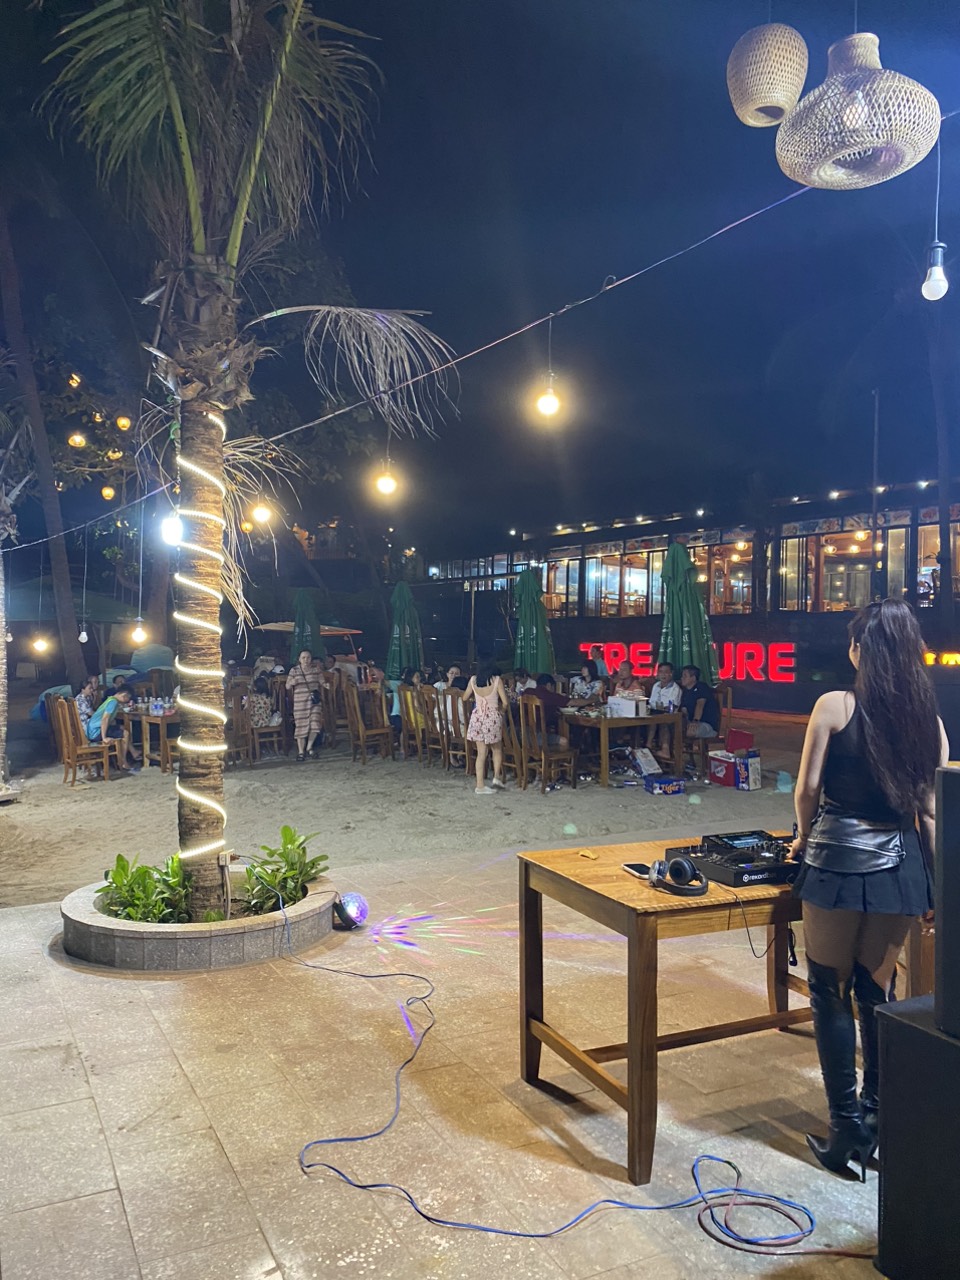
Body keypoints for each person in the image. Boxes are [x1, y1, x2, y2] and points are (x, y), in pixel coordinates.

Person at [788, 600, 947, 1179]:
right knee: (876, 990)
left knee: (828, 989)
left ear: (861, 650)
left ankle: (845, 1129)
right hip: (901, 867)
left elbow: (807, 790)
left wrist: (802, 837)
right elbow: (930, 812)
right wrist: (938, 887)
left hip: (836, 861)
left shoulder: (834, 705)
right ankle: (878, 1120)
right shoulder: (929, 723)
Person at [463, 662, 509, 794]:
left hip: (477, 717)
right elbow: (505, 702)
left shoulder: (473, 680)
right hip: (492, 717)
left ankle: (480, 785)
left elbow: (465, 697)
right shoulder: (497, 680)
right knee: (497, 749)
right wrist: (501, 711)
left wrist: (476, 698)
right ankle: (496, 777)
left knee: (481, 752)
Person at [87, 684, 140, 770]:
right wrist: (104, 738)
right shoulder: (113, 702)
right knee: (125, 733)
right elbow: (105, 719)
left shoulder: (110, 699)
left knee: (122, 728)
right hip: (96, 732)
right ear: (124, 694)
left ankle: (133, 752)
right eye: (128, 698)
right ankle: (123, 761)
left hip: (92, 730)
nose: (128, 700)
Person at [287, 650, 323, 760]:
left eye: (308, 657)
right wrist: (292, 682)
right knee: (301, 725)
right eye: (303, 657)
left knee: (315, 723)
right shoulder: (294, 670)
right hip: (300, 702)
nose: (306, 660)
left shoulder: (316, 669)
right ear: (299, 659)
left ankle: (309, 747)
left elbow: (322, 681)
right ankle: (301, 751)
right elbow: (287, 686)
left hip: (313, 701)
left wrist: (328, 685)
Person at [521, 674, 571, 747]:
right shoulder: (549, 696)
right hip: (534, 737)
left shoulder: (527, 691)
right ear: (549, 685)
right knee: (564, 741)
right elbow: (573, 702)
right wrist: (588, 700)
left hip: (518, 733)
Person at [679, 665, 719, 738]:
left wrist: (695, 720)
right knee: (674, 729)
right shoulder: (685, 691)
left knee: (689, 732)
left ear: (693, 678)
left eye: (685, 676)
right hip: (691, 722)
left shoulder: (702, 687)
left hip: (707, 724)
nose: (682, 678)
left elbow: (700, 705)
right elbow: (684, 710)